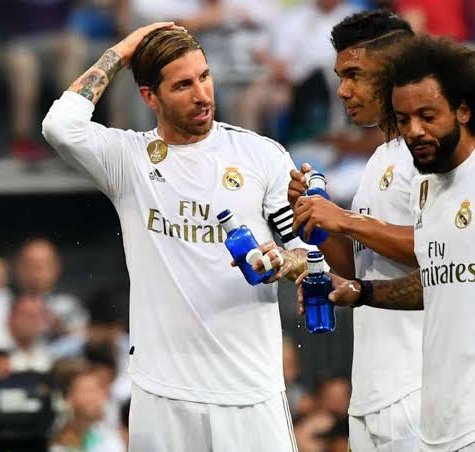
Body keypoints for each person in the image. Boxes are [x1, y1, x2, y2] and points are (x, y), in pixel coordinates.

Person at [43, 22, 313, 451]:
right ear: (149, 96)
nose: (202, 94)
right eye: (183, 85)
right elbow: (60, 126)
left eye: (204, 77)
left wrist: (283, 260)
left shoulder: (261, 155)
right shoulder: (128, 160)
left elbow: (309, 256)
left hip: (250, 388)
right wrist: (122, 51)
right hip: (161, 391)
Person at [296, 34, 475, 452]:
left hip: (422, 392)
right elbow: (436, 276)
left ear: (463, 110)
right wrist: (361, 290)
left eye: (427, 116)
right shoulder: (419, 178)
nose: (414, 131)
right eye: (404, 118)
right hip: (426, 410)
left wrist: (346, 220)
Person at [287, 10, 422, 451]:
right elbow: (358, 269)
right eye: (340, 76)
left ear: (394, 72)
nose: (343, 90)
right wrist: (317, 220)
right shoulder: (381, 157)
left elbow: (443, 252)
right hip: (370, 391)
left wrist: (344, 219)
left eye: (354, 75)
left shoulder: (429, 156)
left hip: (420, 386)